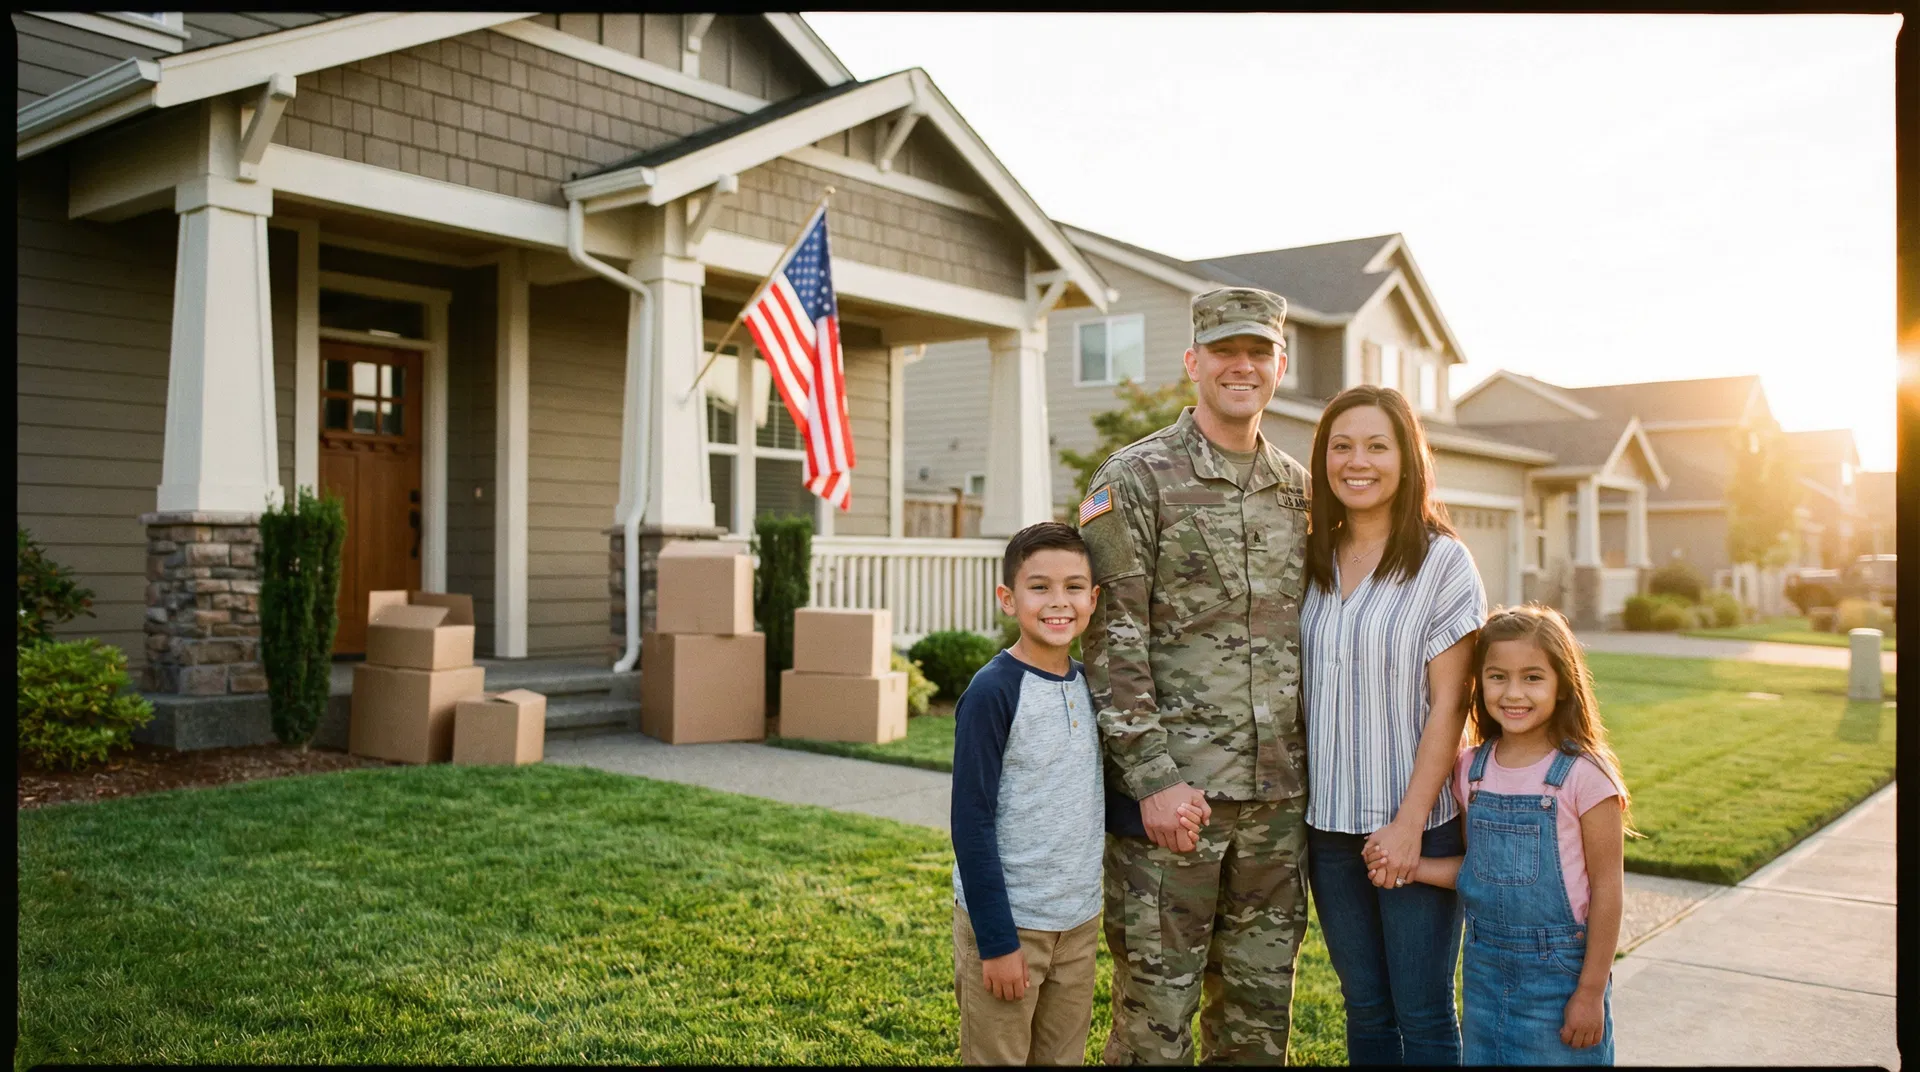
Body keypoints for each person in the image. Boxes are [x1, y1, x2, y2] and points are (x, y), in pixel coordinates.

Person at [1079, 286, 1313, 1064]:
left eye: (1258, 352)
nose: (1241, 366)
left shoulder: (1300, 492)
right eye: (1224, 352)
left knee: (1257, 1026)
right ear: (1194, 363)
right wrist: (1151, 781)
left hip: (1277, 806)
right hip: (1179, 803)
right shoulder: (1137, 476)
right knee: (1155, 1025)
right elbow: (1112, 638)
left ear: (1280, 366)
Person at [950, 521, 1199, 1065]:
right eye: (1039, 587)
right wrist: (996, 942)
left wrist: (1159, 817)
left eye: (1073, 587)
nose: (1057, 602)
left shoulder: (1092, 687)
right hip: (1011, 925)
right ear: (1008, 599)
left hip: (1078, 923)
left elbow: (1091, 796)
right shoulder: (993, 692)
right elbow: (971, 824)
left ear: (1094, 598)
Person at [1299, 384, 1486, 1065]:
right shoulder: (1311, 558)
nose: (1359, 461)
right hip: (1328, 830)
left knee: (1424, 1012)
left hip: (1419, 823)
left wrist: (1410, 824)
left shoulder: (1442, 562)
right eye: (1342, 446)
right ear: (1323, 460)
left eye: (1378, 445)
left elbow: (1452, 703)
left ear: (1407, 459)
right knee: (1367, 1010)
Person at [1365, 603, 1631, 1065]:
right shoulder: (1472, 769)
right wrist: (1408, 866)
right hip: (1486, 971)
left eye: (1532, 677)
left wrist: (1590, 992)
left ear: (1563, 684)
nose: (1513, 693)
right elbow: (1482, 869)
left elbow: (1608, 891)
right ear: (1478, 682)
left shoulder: (1585, 777)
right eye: (1497, 676)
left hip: (1560, 977)